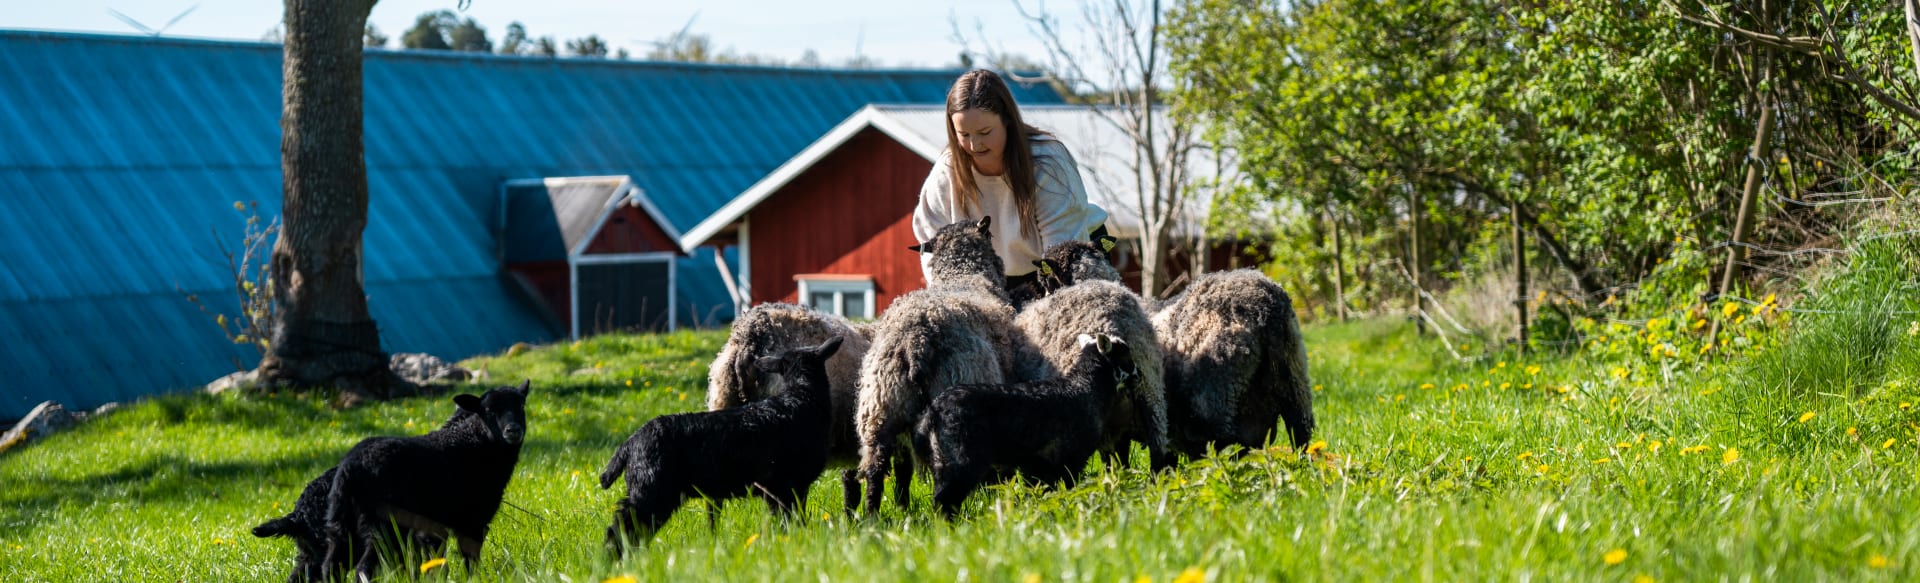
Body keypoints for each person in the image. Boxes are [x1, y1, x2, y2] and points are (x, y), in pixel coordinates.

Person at [912, 69, 1110, 293]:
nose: (975, 145)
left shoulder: (1047, 163)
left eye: (985, 132)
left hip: (1070, 258)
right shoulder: (947, 172)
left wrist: (1055, 301)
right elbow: (933, 242)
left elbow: (1063, 248)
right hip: (999, 272)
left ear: (1007, 120)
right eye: (964, 135)